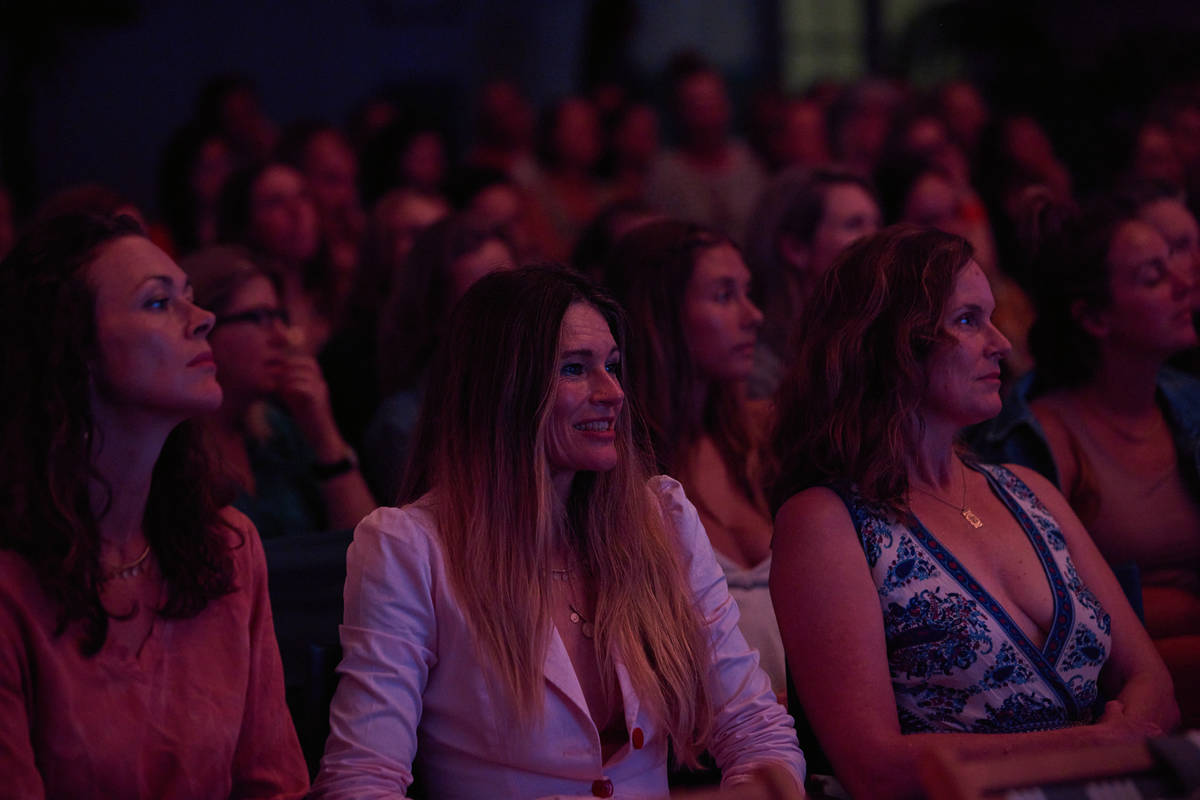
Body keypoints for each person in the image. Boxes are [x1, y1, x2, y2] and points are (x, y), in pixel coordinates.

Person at [311, 266, 805, 798]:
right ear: (501, 390)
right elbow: (362, 781)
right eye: (574, 369)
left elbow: (756, 729)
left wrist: (761, 785)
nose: (612, 392)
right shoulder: (408, 547)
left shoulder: (662, 518)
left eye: (612, 366)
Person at [770, 225, 1177, 800]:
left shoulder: (1028, 489)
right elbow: (873, 766)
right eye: (967, 320)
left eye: (991, 318)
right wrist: (1089, 746)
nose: (1002, 343)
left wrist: (1119, 741)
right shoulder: (824, 522)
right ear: (891, 346)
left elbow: (1151, 681)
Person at [0, 213, 308, 798]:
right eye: (159, 303)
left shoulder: (227, 547)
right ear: (74, 351)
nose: (203, 318)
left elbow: (275, 785)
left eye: (189, 296)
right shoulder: (12, 585)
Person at [971, 202, 1200, 726]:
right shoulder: (1037, 440)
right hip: (1118, 701)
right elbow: (1047, 623)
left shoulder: (1189, 402)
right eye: (1153, 276)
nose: (1185, 284)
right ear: (1094, 318)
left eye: (1175, 263)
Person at [604, 219, 786, 698]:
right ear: (661, 317)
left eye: (748, 292)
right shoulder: (615, 466)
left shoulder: (763, 441)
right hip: (702, 732)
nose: (754, 315)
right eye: (724, 296)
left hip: (802, 726)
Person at [181, 245, 375, 539]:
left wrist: (324, 434)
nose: (282, 336)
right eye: (259, 317)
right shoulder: (172, 449)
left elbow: (367, 545)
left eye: (279, 316)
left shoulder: (275, 430)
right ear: (204, 327)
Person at [743, 166, 881, 398]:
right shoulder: (756, 367)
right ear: (796, 248)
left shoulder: (871, 341)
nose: (877, 239)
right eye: (854, 225)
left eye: (876, 224)